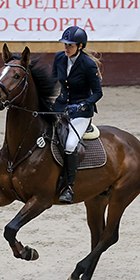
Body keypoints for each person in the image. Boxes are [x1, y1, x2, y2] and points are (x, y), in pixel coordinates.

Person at [51, 26, 103, 204]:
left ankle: (69, 187)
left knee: (70, 144)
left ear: (80, 46)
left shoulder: (88, 65)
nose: (66, 49)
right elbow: (52, 81)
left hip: (81, 110)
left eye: (70, 46)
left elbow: (98, 93)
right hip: (60, 105)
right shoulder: (59, 57)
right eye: (65, 45)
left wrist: (83, 105)